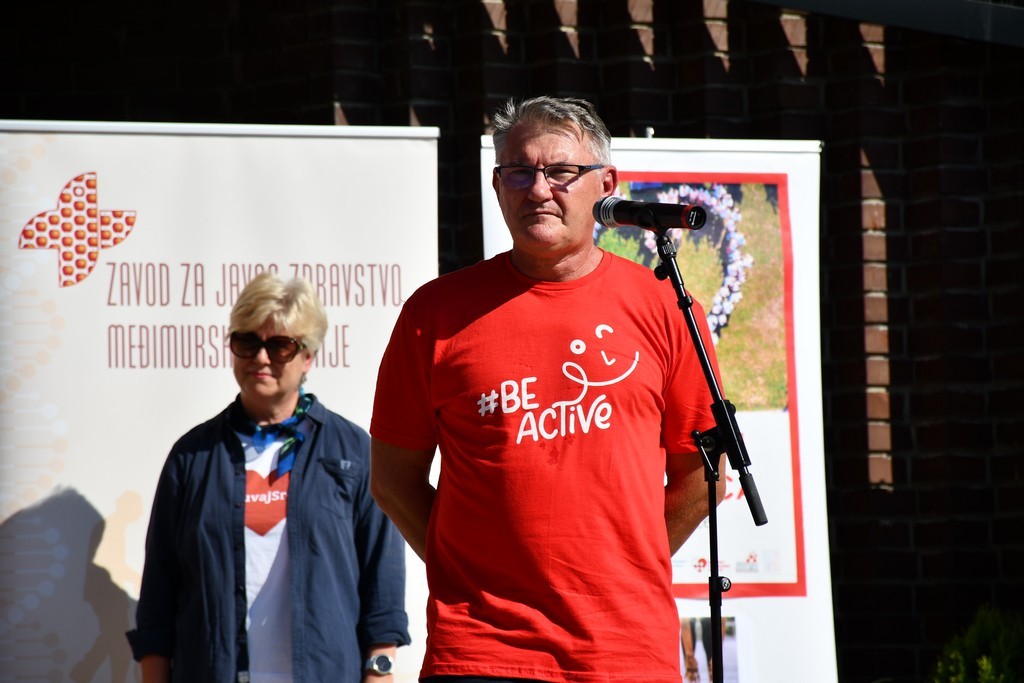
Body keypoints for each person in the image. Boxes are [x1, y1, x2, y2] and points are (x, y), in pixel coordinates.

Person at [369, 95, 726, 683]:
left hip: (625, 650)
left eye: (561, 172)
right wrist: (470, 576)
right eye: (519, 171)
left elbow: (702, 475)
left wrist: (623, 569)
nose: (538, 189)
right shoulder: (434, 314)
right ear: (497, 184)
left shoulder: (666, 307)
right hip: (481, 650)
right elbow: (392, 479)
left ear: (606, 184)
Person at [127, 272, 410, 683]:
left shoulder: (354, 454)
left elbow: (382, 593)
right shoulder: (191, 457)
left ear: (308, 356)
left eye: (280, 345)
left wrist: (378, 674)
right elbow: (158, 597)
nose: (261, 358)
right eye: (247, 342)